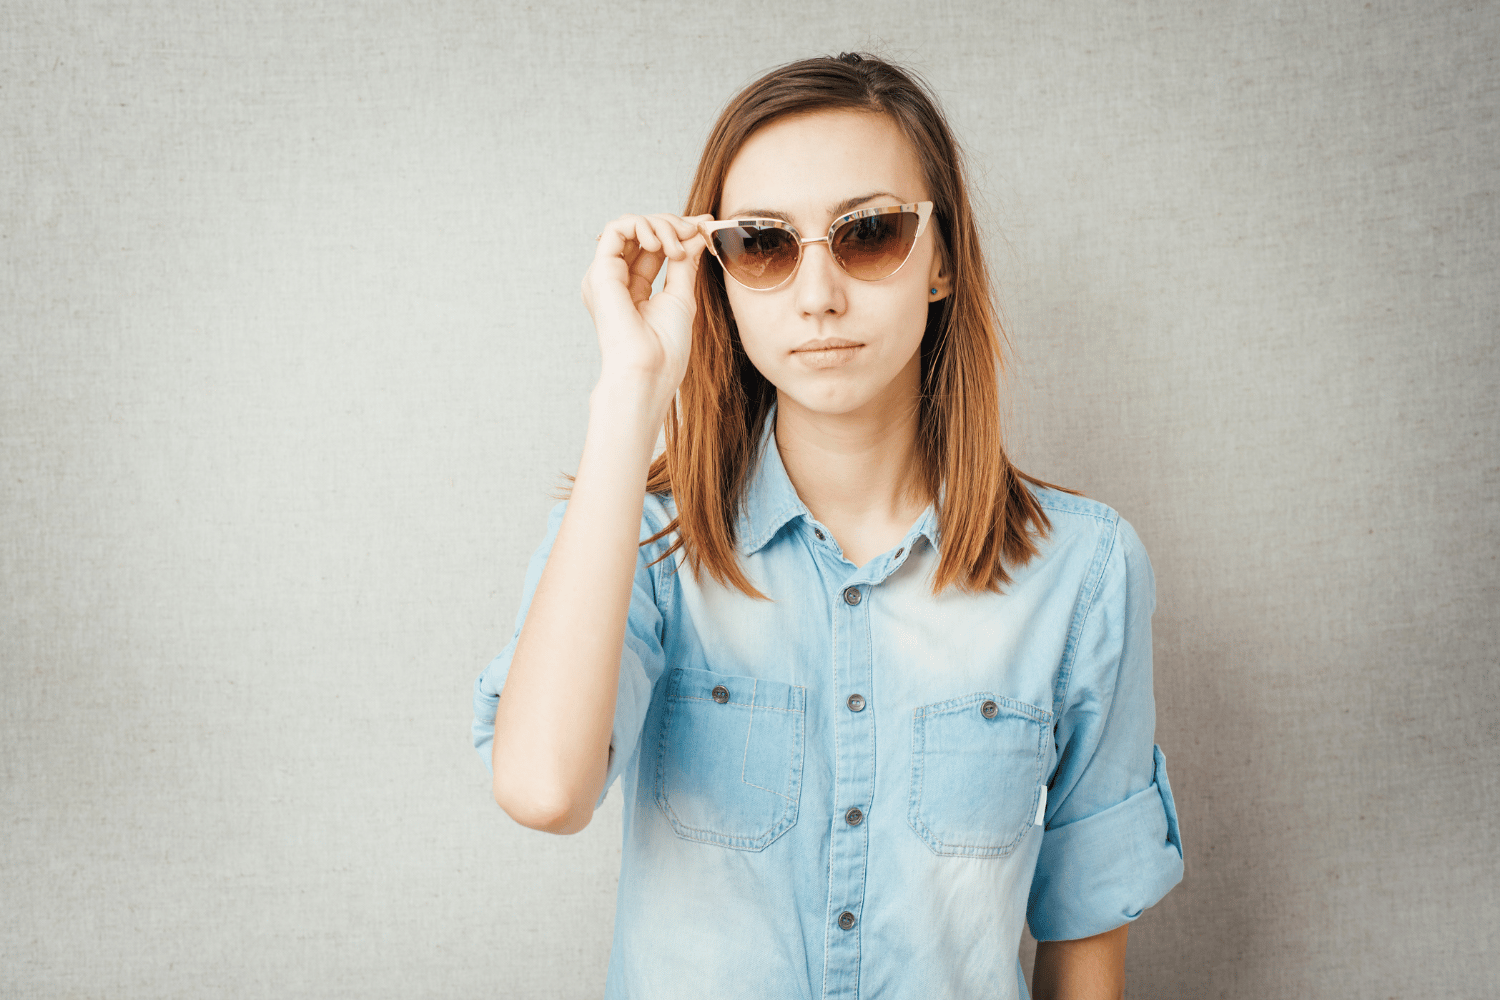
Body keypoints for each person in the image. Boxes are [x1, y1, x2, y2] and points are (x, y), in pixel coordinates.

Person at [471, 52, 1183, 1000]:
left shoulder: (1084, 569)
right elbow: (543, 791)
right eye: (764, 244)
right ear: (720, 275)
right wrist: (632, 390)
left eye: (871, 234)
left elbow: (1086, 930)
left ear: (941, 262)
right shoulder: (638, 544)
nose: (817, 295)